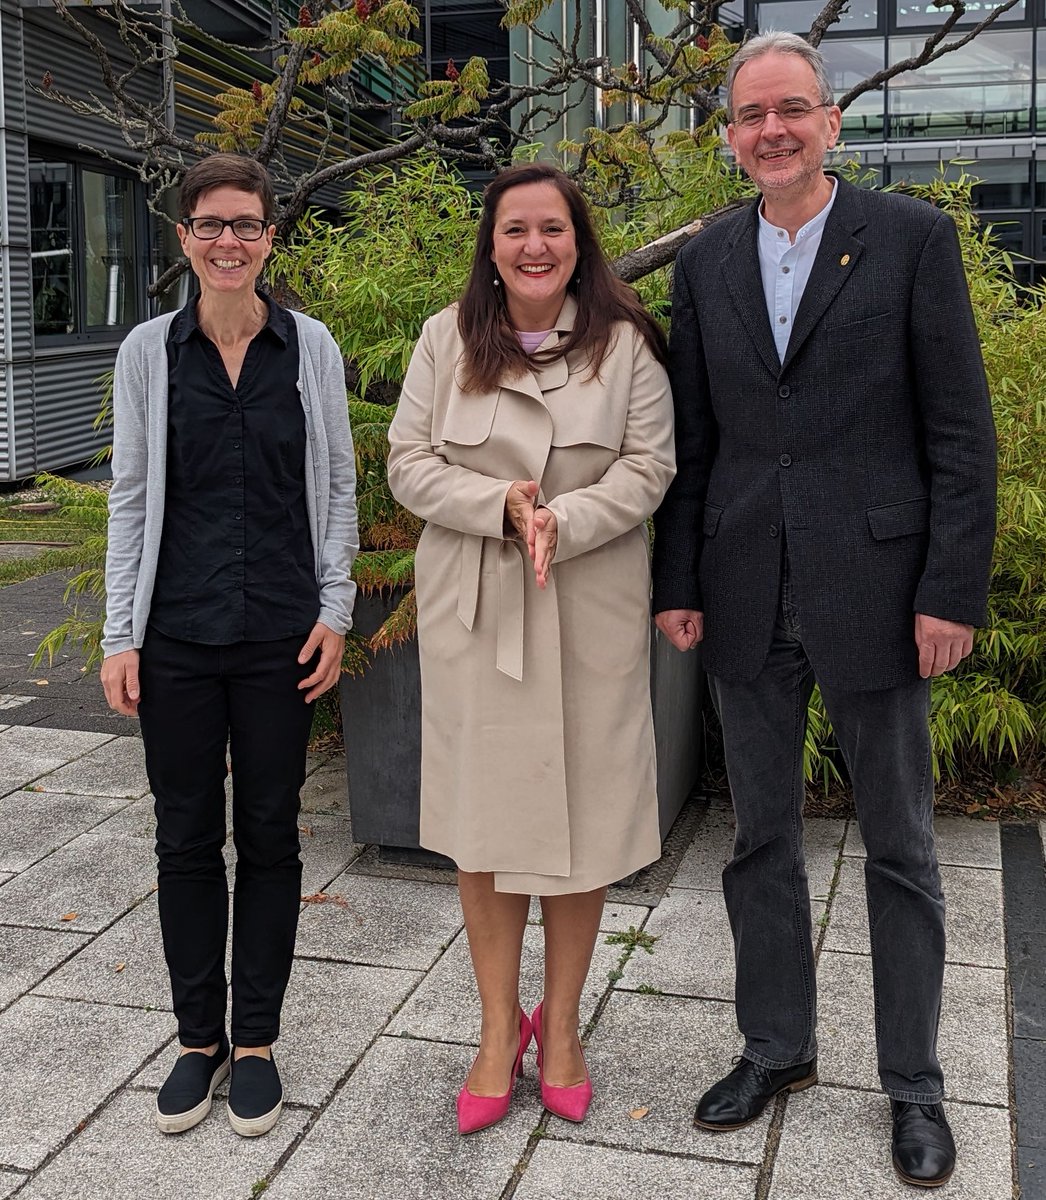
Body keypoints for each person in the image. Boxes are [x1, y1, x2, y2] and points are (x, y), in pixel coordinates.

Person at [652, 31, 996, 1190]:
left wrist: (949, 590)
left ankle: (913, 1087)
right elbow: (692, 443)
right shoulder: (703, 266)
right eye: (749, 116)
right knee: (757, 843)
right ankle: (775, 1049)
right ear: (732, 135)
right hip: (744, 591)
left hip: (880, 591)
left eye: (789, 109)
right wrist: (679, 583)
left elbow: (958, 433)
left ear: (830, 119)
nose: (769, 132)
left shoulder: (907, 240)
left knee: (898, 846)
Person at [387, 162, 676, 1134]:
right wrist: (497, 508)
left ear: (577, 241)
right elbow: (407, 463)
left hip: (584, 599)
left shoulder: (625, 347)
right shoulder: (445, 338)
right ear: (492, 246)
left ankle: (559, 1030)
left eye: (551, 228)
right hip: (476, 609)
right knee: (481, 826)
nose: (534, 246)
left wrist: (567, 517)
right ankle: (489, 1028)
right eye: (514, 230)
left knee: (582, 824)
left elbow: (650, 466)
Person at [100, 154, 358, 1137]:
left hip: (278, 638)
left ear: (269, 237)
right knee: (182, 835)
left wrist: (333, 614)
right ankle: (195, 1039)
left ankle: (254, 1040)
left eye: (245, 225)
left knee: (271, 834)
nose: (227, 243)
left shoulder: (311, 346)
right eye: (208, 226)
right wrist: (120, 635)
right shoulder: (147, 354)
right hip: (175, 637)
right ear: (183, 240)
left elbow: (334, 487)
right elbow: (131, 498)